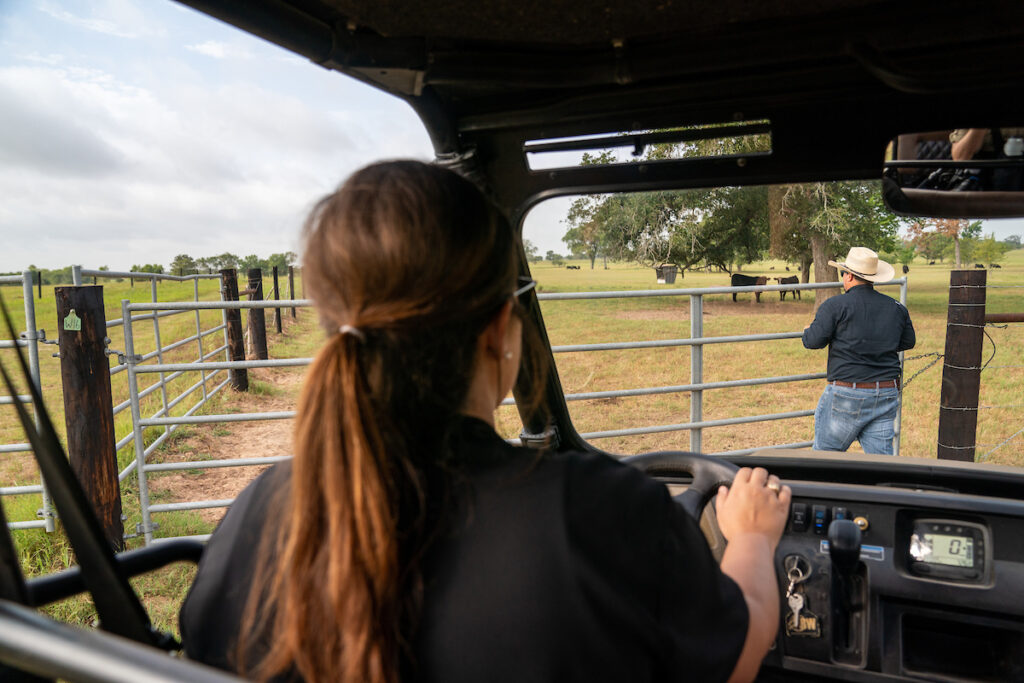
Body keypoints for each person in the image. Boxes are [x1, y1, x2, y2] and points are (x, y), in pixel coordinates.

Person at [179, 160, 790, 683]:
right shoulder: (601, 513)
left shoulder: (255, 514)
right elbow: (738, 657)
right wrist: (754, 539)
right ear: (500, 330)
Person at [802, 247, 916, 455]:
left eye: (843, 273)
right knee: (880, 461)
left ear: (850, 276)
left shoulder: (835, 305)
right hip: (885, 392)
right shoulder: (896, 307)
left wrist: (808, 331)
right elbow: (908, 341)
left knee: (825, 459)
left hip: (847, 393)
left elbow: (813, 341)